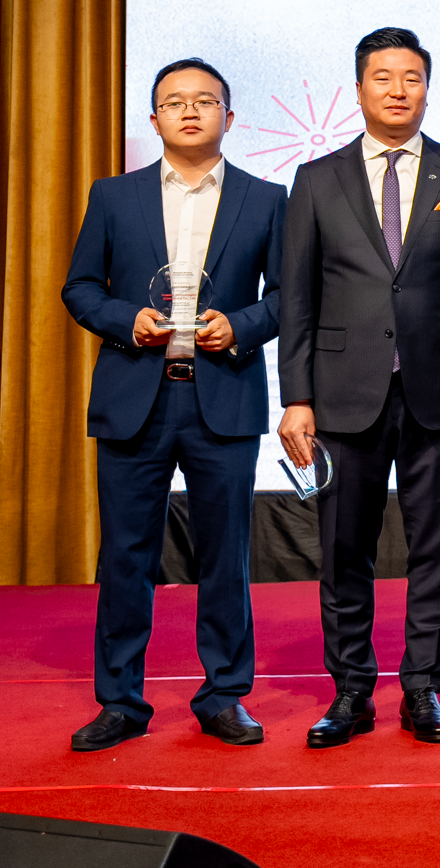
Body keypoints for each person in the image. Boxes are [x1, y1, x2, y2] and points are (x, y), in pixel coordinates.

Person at [277, 27, 440, 748]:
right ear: (359, 89)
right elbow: (298, 299)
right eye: (383, 78)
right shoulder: (316, 180)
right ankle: (349, 690)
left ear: (427, 88)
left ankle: (421, 689)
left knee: (435, 549)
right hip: (341, 395)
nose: (398, 91)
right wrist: (296, 396)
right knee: (343, 548)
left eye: (411, 78)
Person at [61, 59, 287, 752]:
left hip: (223, 395)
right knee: (127, 555)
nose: (190, 112)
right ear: (154, 118)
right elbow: (79, 289)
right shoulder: (113, 196)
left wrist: (241, 327)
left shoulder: (266, 197)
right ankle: (121, 701)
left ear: (229, 116)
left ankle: (223, 695)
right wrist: (125, 319)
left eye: (206, 101)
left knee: (226, 554)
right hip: (137, 394)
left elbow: (286, 296)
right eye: (174, 102)